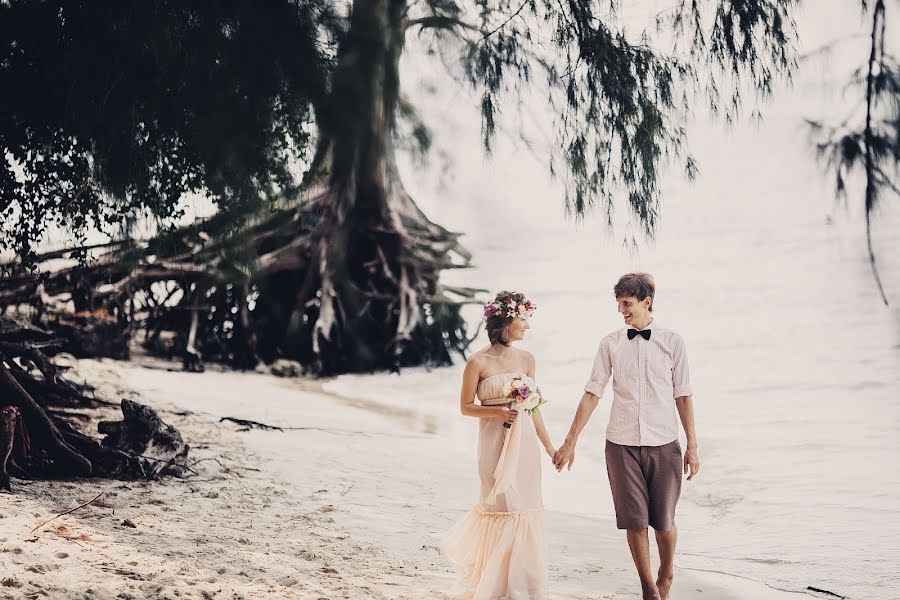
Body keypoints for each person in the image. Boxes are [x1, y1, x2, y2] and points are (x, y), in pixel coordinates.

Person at [553, 273, 700, 600]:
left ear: (646, 302)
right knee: (634, 520)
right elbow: (593, 392)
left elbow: (684, 395)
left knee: (663, 521)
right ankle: (648, 588)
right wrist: (570, 440)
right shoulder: (610, 344)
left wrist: (693, 445)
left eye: (627, 303)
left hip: (664, 443)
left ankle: (667, 571)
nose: (621, 310)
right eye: (619, 303)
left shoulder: (673, 342)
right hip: (621, 445)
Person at [443, 291, 556, 600]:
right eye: (523, 320)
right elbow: (465, 407)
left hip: (525, 447)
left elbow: (534, 408)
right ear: (506, 321)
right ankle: (494, 586)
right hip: (493, 443)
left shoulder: (527, 359)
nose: (527, 327)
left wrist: (550, 448)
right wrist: (496, 411)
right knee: (500, 507)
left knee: (525, 509)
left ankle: (522, 586)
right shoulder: (477, 361)